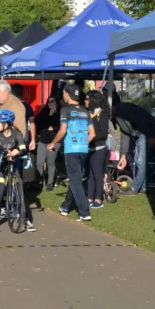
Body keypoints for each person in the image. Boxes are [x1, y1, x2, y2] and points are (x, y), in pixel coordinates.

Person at [47, 84, 95, 222]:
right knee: (76, 179)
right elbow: (92, 133)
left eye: (63, 93)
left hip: (71, 150)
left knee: (75, 181)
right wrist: (84, 142)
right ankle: (66, 207)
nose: (62, 96)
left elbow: (62, 130)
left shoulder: (65, 110)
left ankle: (84, 211)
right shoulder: (86, 111)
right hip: (83, 149)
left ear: (67, 94)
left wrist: (52, 144)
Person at [0, 110, 35, 232]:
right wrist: (5, 152)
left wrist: (18, 151)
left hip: (12, 162)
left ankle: (26, 218)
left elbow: (23, 148)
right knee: (0, 187)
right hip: (0, 163)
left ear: (7, 124)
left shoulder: (17, 134)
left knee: (20, 187)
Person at [113, 101, 155, 194]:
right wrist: (123, 154)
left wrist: (151, 135)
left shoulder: (125, 110)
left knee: (141, 161)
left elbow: (143, 120)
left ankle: (135, 188)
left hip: (145, 132)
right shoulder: (117, 114)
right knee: (139, 161)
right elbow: (125, 133)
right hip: (140, 133)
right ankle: (143, 187)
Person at [85, 90, 111, 209]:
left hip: (99, 148)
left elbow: (103, 133)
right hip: (89, 148)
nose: (85, 101)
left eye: (87, 99)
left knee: (97, 174)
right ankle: (89, 197)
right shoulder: (88, 113)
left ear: (93, 100)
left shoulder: (102, 113)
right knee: (90, 174)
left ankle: (98, 199)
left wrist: (90, 137)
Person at [34, 95, 61, 191]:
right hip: (43, 140)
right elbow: (38, 123)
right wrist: (49, 115)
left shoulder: (60, 114)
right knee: (39, 163)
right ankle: (37, 182)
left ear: (56, 103)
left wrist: (52, 115)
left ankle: (50, 183)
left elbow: (57, 126)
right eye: (48, 101)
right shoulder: (44, 112)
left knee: (50, 162)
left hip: (54, 141)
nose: (50, 103)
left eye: (52, 101)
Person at [11, 84, 36, 151]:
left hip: (12, 137)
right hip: (23, 137)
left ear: (13, 93)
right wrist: (33, 139)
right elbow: (32, 123)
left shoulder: (10, 105)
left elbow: (32, 123)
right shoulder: (28, 106)